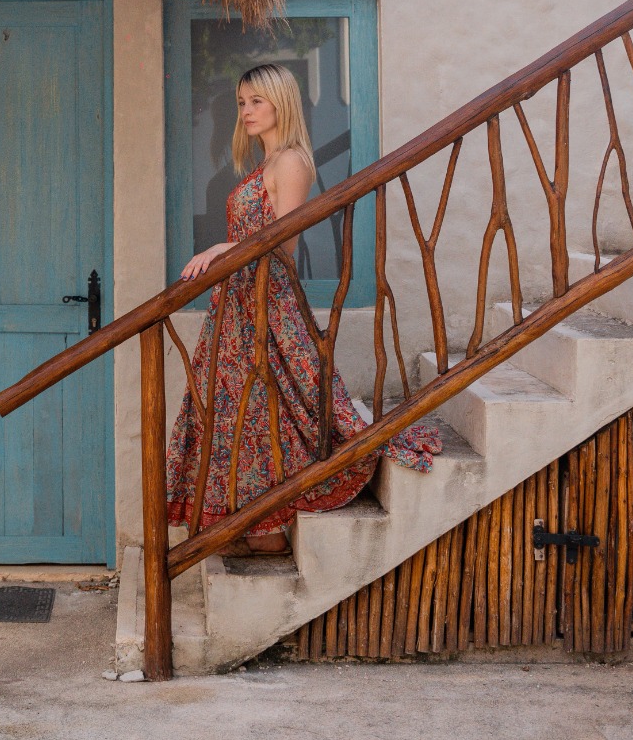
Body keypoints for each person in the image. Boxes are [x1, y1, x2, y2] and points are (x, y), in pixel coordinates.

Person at [165, 63, 442, 556]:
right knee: (232, 416)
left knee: (261, 411)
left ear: (281, 103)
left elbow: (284, 243)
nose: (246, 111)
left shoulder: (290, 161)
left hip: (267, 303)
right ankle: (241, 525)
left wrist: (220, 248)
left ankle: (264, 529)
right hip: (238, 306)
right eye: (242, 102)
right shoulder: (264, 162)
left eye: (257, 101)